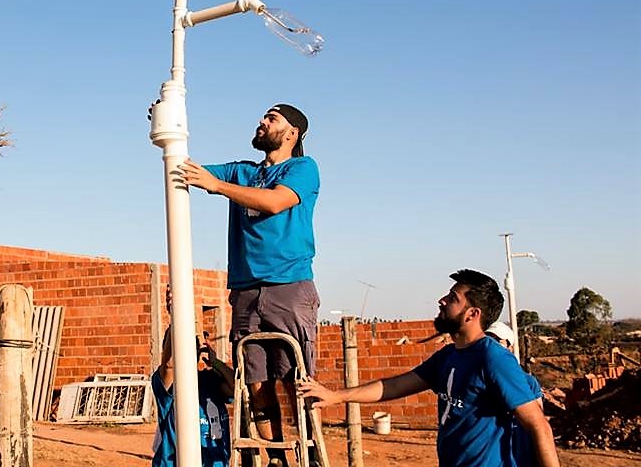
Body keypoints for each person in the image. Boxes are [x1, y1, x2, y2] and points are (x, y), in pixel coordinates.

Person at [177, 103, 320, 467]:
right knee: (257, 383)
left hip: (288, 286)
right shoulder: (242, 172)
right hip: (245, 290)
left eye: (272, 118)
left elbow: (275, 203)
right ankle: (276, 459)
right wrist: (169, 124)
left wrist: (217, 186)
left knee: (296, 381)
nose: (261, 121)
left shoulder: (303, 168)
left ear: (292, 133)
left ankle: (309, 454)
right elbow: (182, 168)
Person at [297, 269, 560, 467]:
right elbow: (396, 385)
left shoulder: (494, 359)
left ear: (472, 314)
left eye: (453, 298)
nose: (442, 301)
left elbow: (539, 426)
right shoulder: (449, 355)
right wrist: (335, 396)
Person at [152, 325, 234, 467]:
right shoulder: (170, 383)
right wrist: (177, 313)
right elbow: (169, 365)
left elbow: (236, 388)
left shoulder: (210, 380)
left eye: (191, 346)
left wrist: (216, 363)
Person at [486, 321, 544, 467]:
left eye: (497, 341)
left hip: (520, 454)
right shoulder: (478, 382)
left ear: (510, 348)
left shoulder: (528, 382)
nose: (491, 345)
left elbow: (539, 425)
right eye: (487, 340)